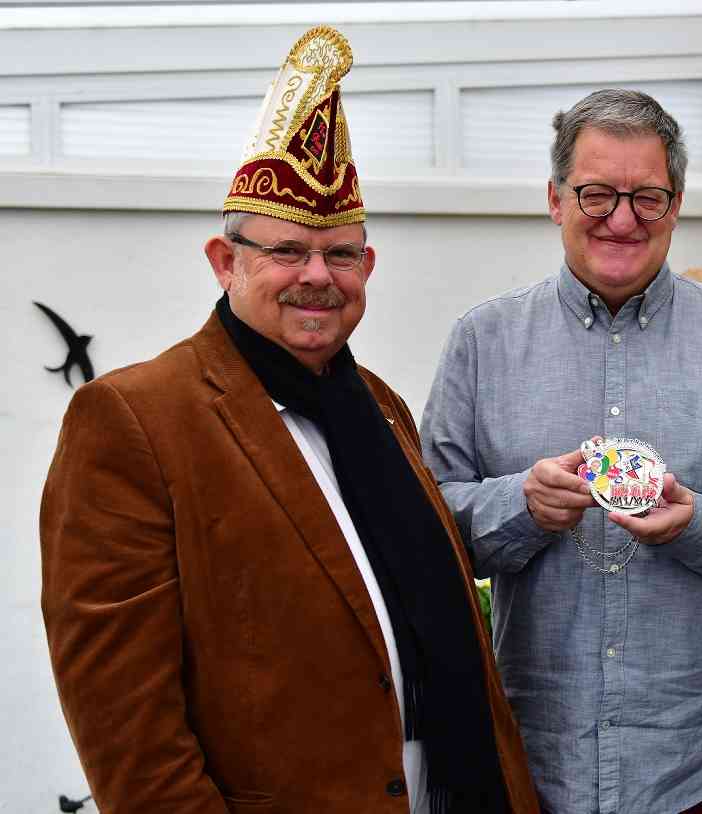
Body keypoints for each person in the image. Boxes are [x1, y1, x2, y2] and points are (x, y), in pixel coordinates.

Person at [40, 27, 537, 814]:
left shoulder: (377, 404)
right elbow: (124, 725)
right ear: (223, 260)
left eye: (341, 254)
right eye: (286, 251)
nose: (317, 276)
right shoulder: (132, 420)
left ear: (367, 267)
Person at [420, 88, 702, 813]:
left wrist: (698, 523)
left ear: (676, 203)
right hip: (533, 759)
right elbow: (429, 529)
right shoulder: (482, 343)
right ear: (555, 198)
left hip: (700, 762)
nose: (622, 218)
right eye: (597, 193)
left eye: (648, 197)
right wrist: (522, 505)